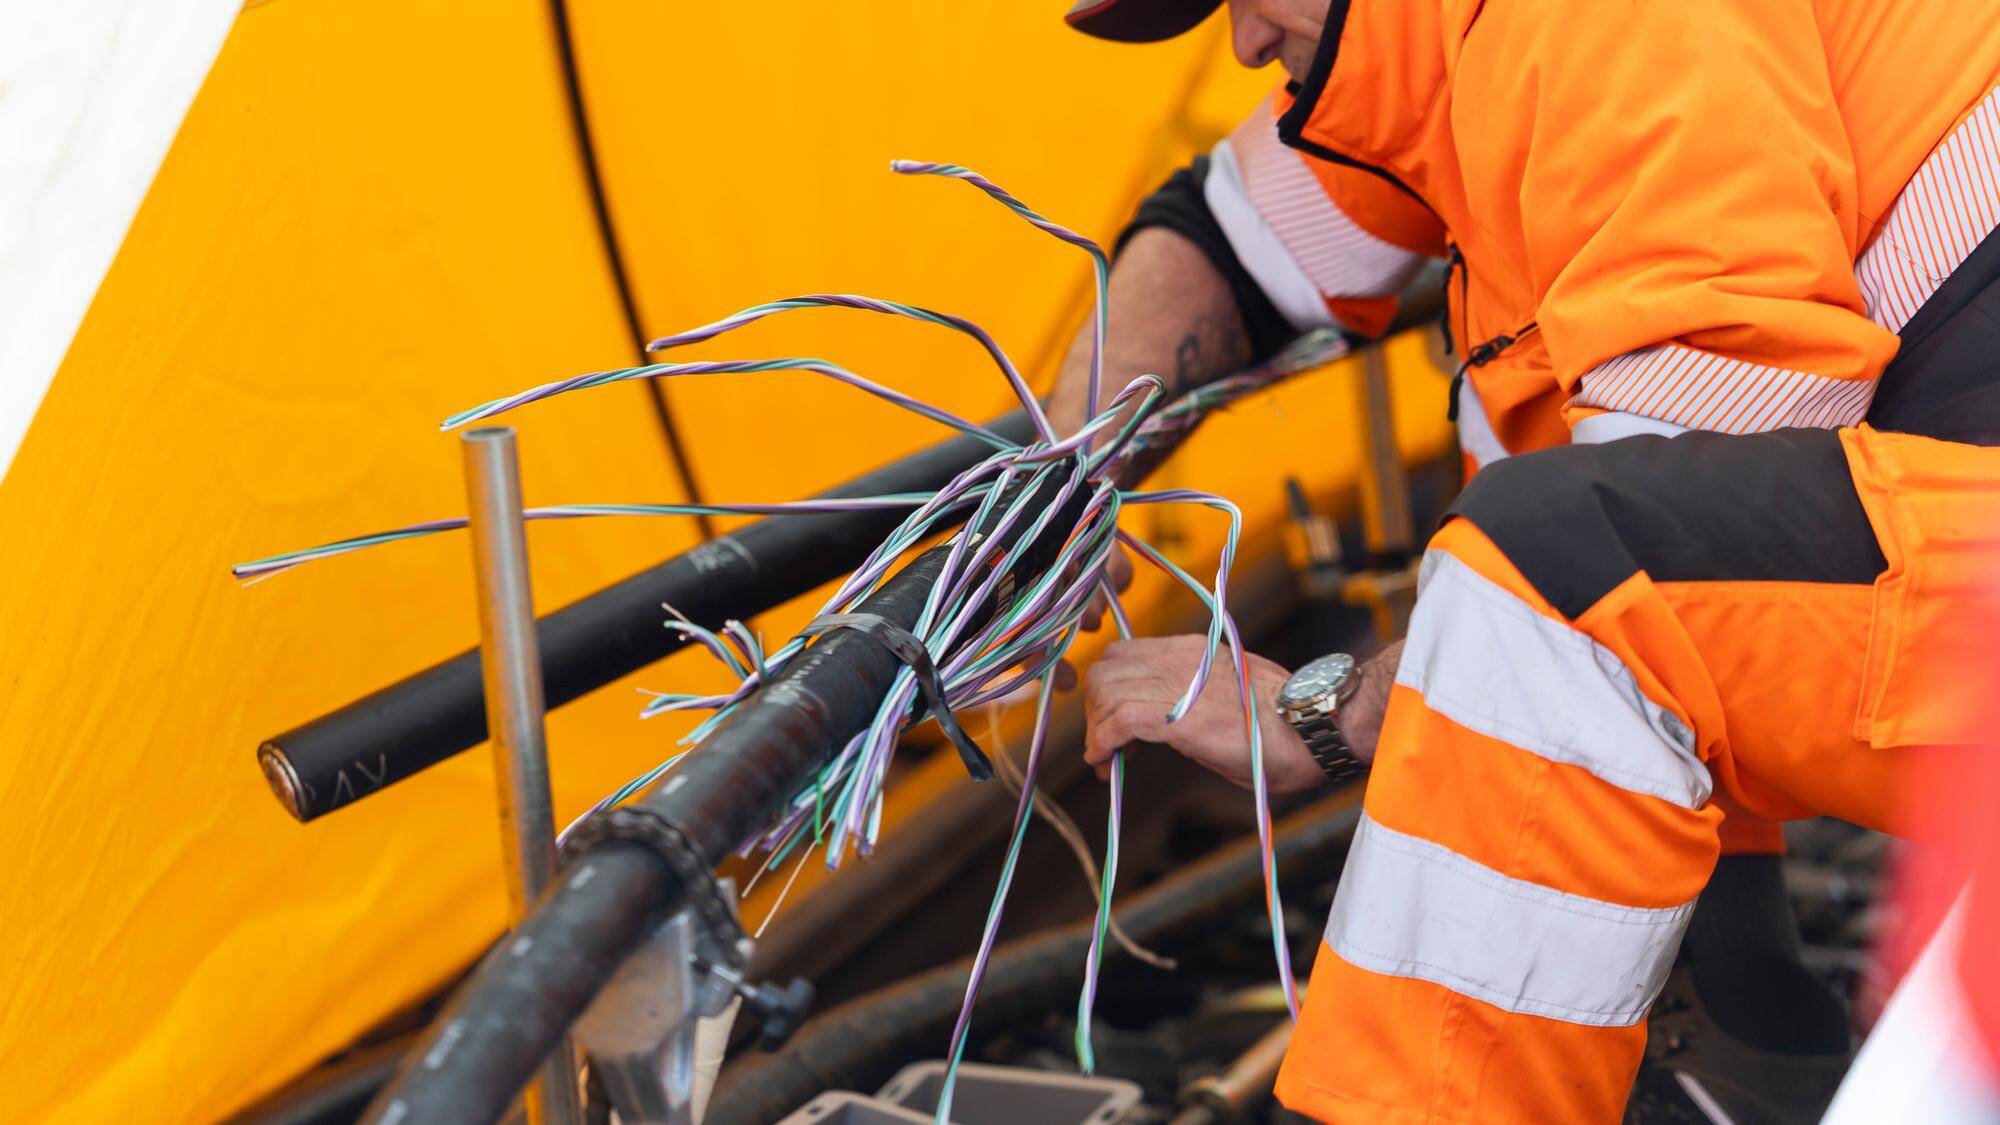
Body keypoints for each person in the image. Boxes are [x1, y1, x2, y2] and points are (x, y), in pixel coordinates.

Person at [1049, 0, 2000, 1121]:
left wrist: (1318, 712)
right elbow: (1221, 242)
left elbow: (1651, 530)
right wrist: (1061, 479)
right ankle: (1723, 1038)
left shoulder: (1597, 24)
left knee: (1568, 574)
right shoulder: (1444, 54)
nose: (1243, 44)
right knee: (1566, 502)